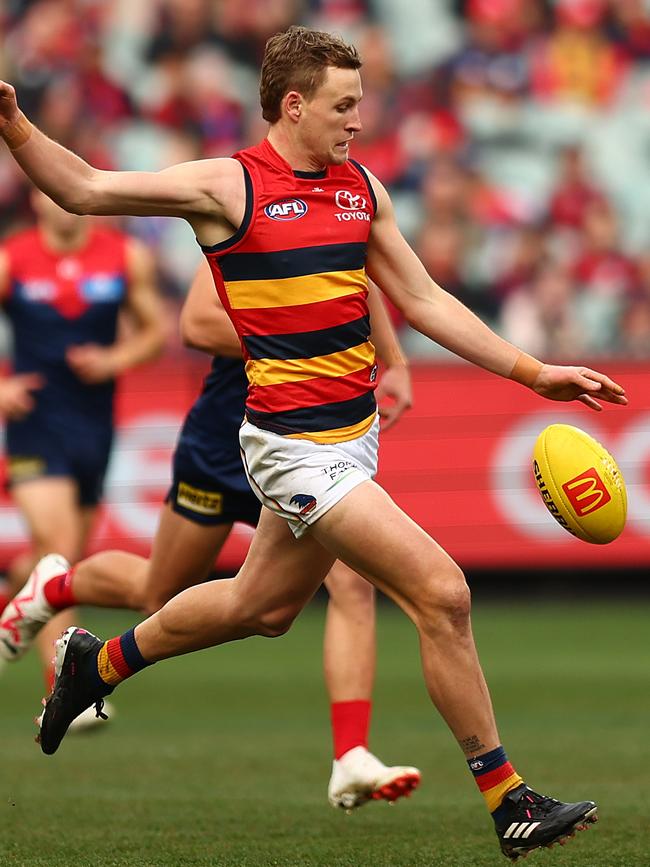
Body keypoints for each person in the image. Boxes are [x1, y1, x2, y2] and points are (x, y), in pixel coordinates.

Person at [0, 25, 627, 860]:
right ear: (293, 106)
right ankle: (508, 796)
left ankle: (96, 662)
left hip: (353, 439)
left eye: (359, 105)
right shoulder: (229, 186)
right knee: (442, 592)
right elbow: (82, 187)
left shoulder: (361, 187)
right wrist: (13, 124)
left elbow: (425, 297)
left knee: (261, 607)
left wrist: (532, 370)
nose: (357, 121)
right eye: (343, 105)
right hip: (294, 450)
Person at [14, 258, 420, 810]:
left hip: (303, 444)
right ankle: (56, 587)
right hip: (222, 442)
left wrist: (394, 360)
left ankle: (350, 756)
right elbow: (197, 326)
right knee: (158, 593)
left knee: (351, 583)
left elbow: (360, 285)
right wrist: (303, 339)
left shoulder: (339, 211)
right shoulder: (242, 215)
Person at [0, 190, 165, 717]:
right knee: (58, 547)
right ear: (36, 202)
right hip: (34, 423)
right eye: (53, 198)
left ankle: (14, 605)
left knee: (62, 559)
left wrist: (115, 357)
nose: (65, 206)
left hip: (94, 427)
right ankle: (59, 688)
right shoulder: (12, 257)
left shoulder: (123, 256)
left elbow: (158, 330)